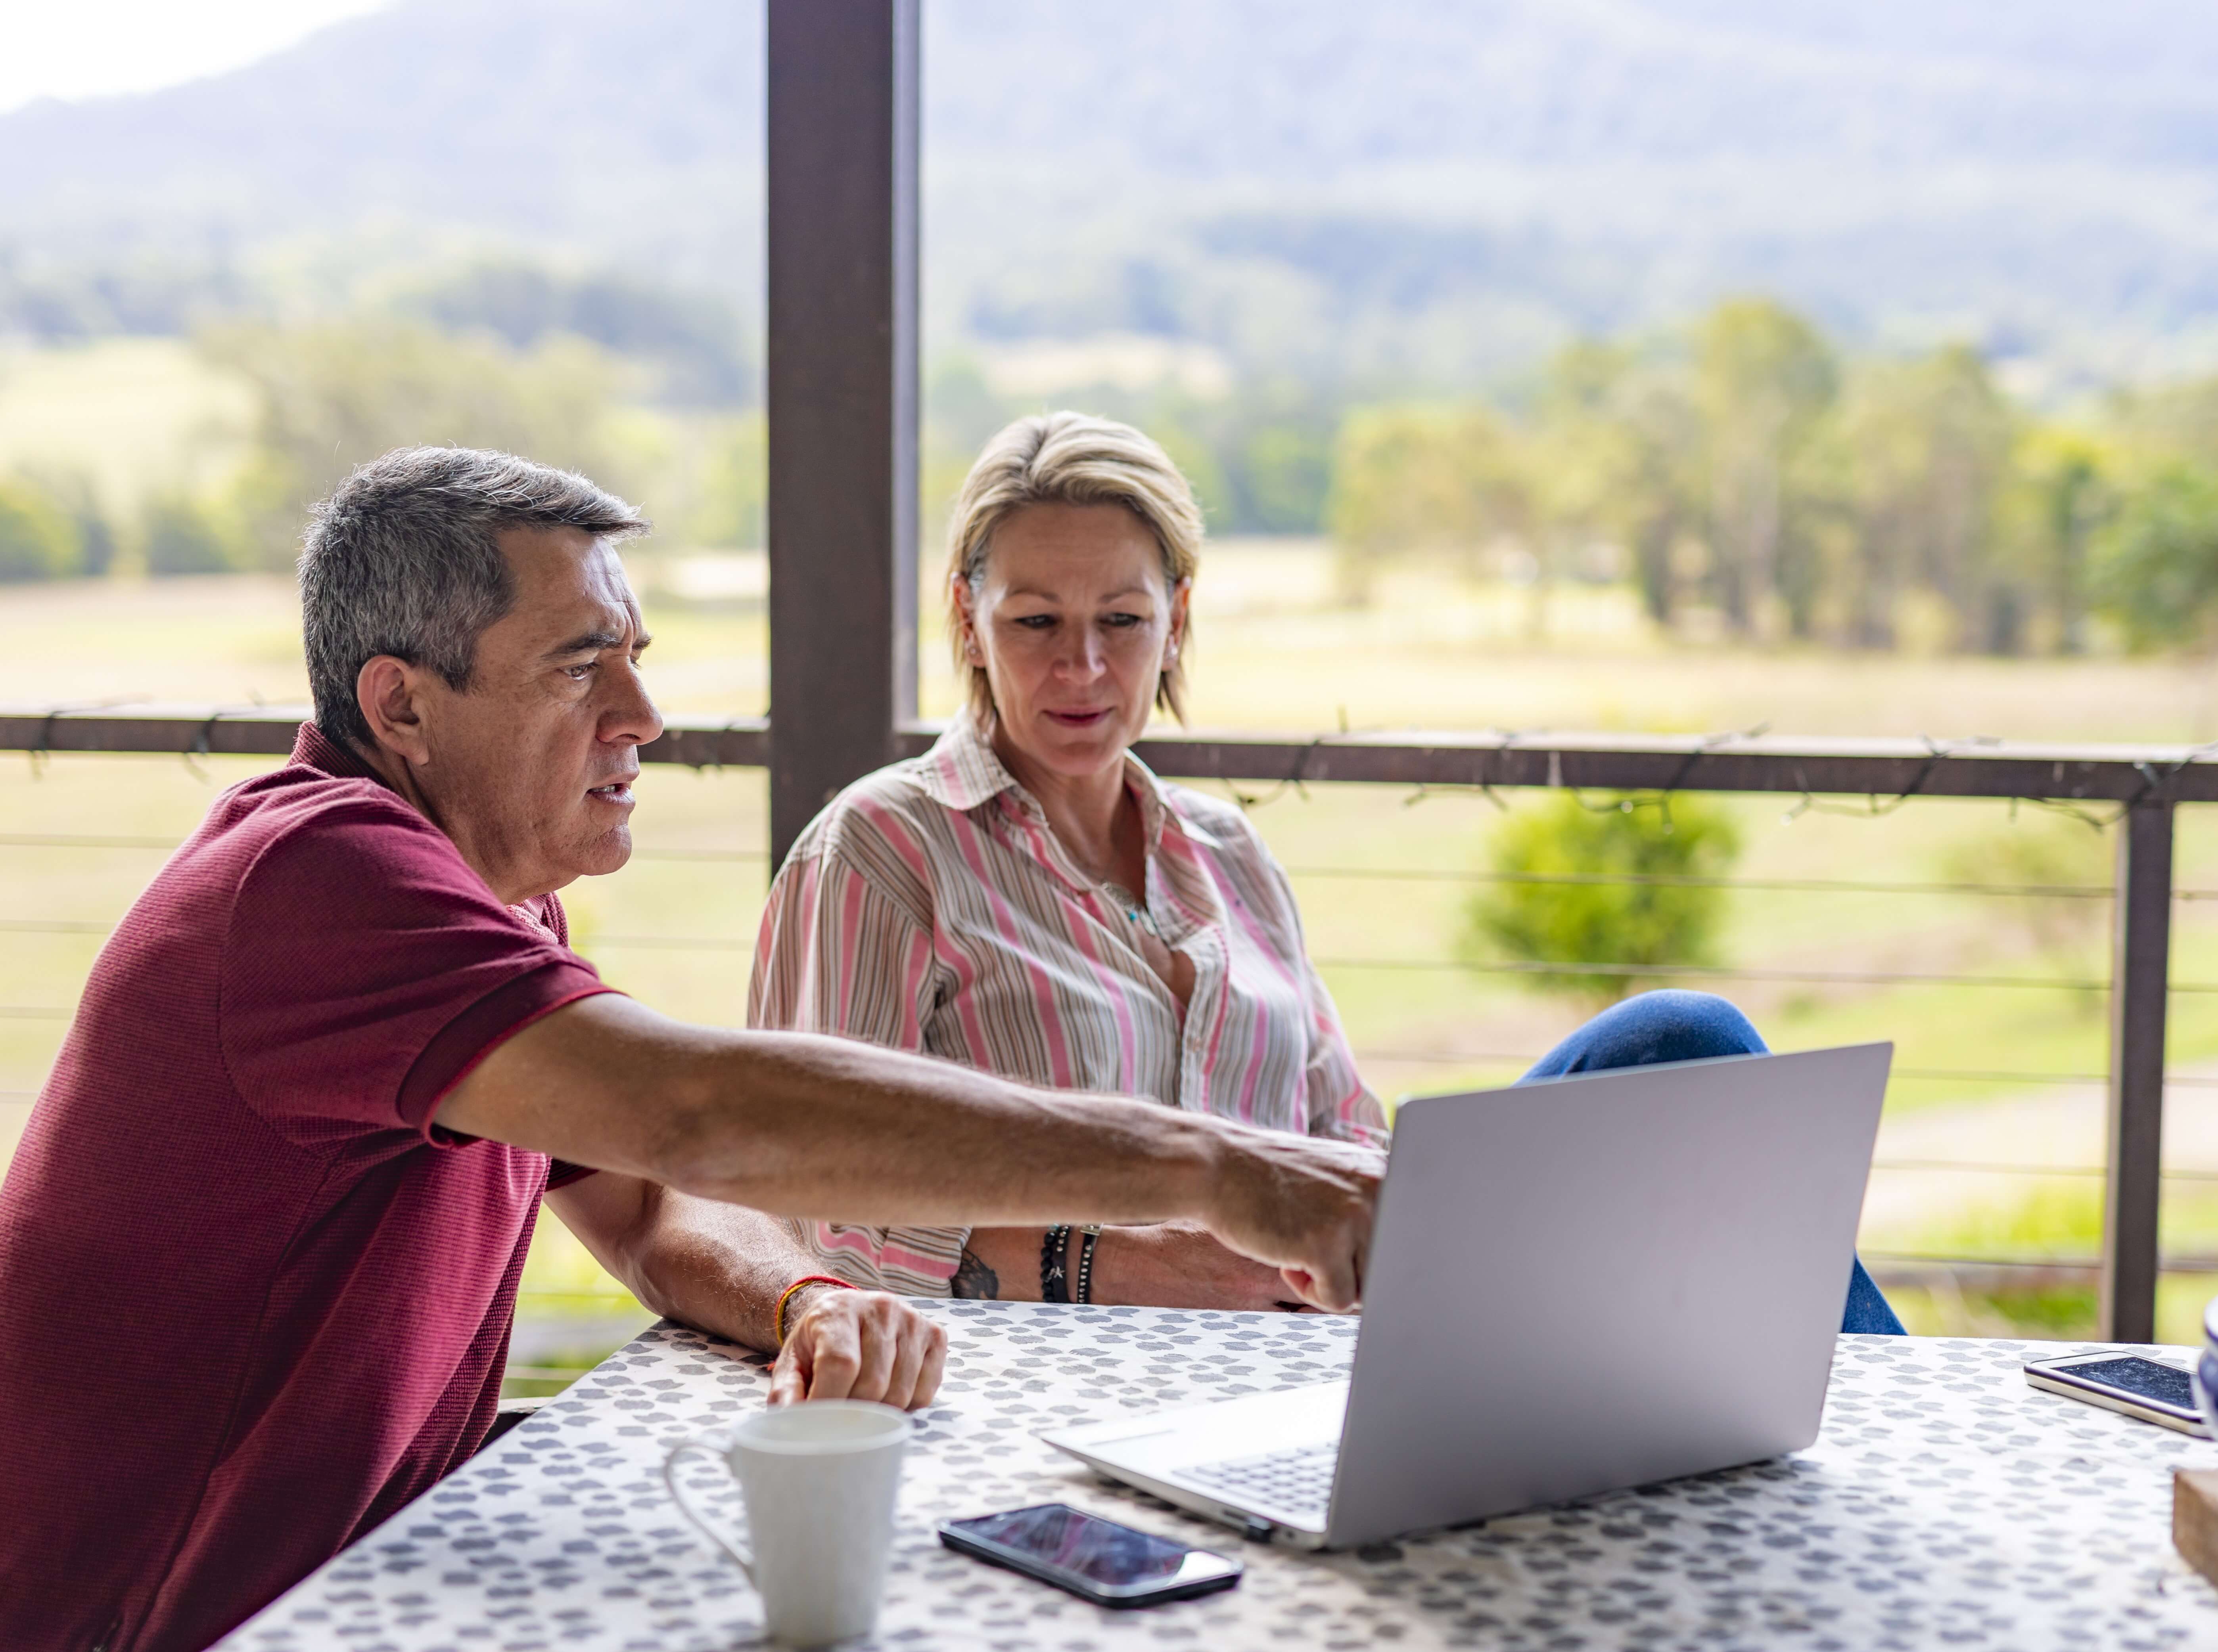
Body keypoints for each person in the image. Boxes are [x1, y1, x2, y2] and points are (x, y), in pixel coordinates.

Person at [0, 447, 1382, 1652]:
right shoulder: (317, 882)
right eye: (581, 668)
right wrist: (1212, 1167)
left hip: (346, 1603)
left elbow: (643, 1204)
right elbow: (697, 1112)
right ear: (402, 705)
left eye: (634, 658)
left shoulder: (484, 898)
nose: (643, 715)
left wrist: (805, 1294)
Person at [749, 411, 1905, 1336]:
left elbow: (1344, 1133)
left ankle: (1874, 1449)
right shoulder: (881, 852)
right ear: (967, 617)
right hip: (1072, 1371)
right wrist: (1102, 1260)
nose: (1082, 666)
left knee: (1680, 1044)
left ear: (1177, 618)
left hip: (1314, 1338)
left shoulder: (1228, 855)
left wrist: (1450, 1224)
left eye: (1122, 618)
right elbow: (801, 1199)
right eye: (1035, 620)